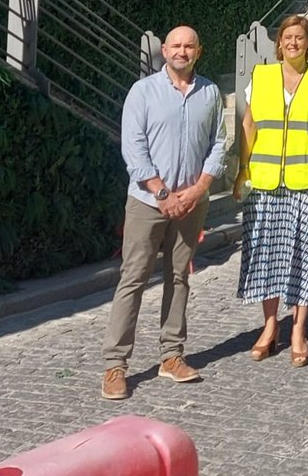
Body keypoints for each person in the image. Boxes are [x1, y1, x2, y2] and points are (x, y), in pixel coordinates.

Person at [101, 25, 227, 400]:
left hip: (192, 201)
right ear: (164, 51)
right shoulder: (143, 92)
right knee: (134, 278)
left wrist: (199, 190)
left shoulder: (210, 92)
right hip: (147, 202)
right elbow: (133, 147)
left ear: (198, 51)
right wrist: (162, 193)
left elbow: (219, 144)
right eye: (176, 45)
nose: (182, 51)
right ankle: (115, 365)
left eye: (189, 46)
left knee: (179, 277)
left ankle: (172, 356)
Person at [236, 14, 308, 366]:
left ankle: (298, 329)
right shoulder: (261, 78)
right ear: (278, 43)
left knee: (303, 256)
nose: (293, 43)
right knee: (266, 255)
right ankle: (270, 326)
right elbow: (249, 125)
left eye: (300, 37)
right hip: (265, 183)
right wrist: (242, 170)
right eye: (287, 37)